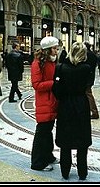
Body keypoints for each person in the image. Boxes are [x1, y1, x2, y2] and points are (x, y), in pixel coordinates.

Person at [52, 42, 94, 180]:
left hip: (65, 105)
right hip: (81, 104)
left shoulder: (60, 67)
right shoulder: (87, 68)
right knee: (82, 139)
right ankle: (82, 172)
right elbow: (89, 84)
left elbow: (56, 90)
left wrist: (63, 95)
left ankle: (65, 172)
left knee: (65, 140)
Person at [30, 36, 60, 171]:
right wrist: (54, 83)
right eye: (54, 48)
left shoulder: (52, 62)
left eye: (57, 48)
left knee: (48, 132)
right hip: (44, 102)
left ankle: (48, 156)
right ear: (47, 49)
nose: (56, 50)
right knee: (42, 133)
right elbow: (36, 84)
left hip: (53, 100)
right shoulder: (38, 63)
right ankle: (37, 162)